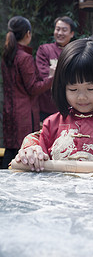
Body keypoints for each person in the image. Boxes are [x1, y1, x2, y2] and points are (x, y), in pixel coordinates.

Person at [15, 37, 93, 171]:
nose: (82, 97)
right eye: (73, 89)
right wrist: (33, 154)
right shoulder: (51, 124)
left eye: (90, 89)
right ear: (62, 88)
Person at [1, 15, 54, 169]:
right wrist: (52, 78)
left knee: (11, 149)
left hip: (9, 111)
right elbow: (33, 88)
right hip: (24, 113)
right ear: (28, 34)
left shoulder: (7, 55)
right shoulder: (24, 57)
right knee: (23, 151)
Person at [36, 16, 76, 121]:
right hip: (47, 106)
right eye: (57, 29)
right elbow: (43, 74)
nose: (60, 33)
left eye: (64, 30)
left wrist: (54, 74)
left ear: (72, 34)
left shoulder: (76, 52)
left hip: (70, 105)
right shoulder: (44, 49)